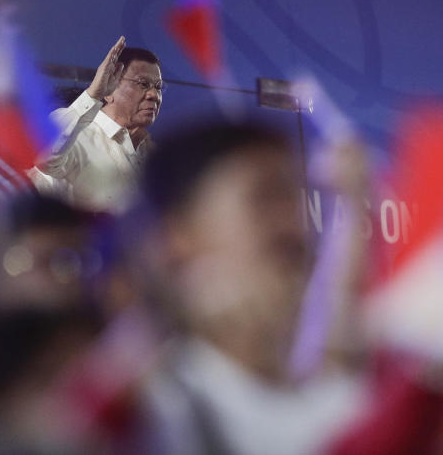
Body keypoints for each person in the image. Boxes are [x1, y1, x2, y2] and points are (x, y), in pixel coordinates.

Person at [133, 121, 367, 455]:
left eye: (292, 196)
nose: (294, 225)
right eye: (264, 197)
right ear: (180, 236)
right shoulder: (153, 408)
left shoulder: (338, 392)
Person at [29, 38, 162, 214]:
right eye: (143, 84)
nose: (154, 94)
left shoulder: (154, 154)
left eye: (158, 87)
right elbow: (43, 156)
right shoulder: (76, 135)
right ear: (110, 88)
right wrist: (93, 94)